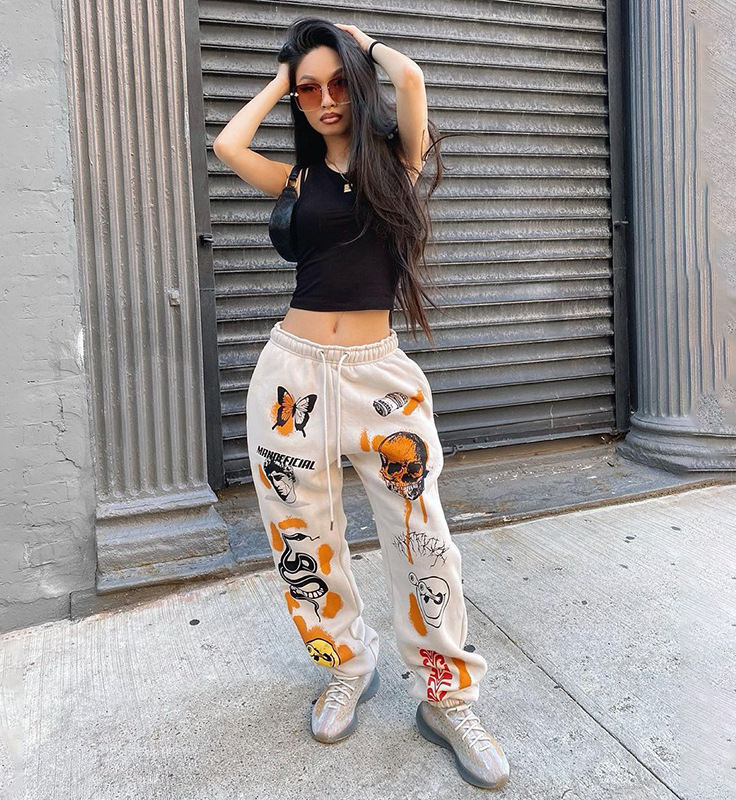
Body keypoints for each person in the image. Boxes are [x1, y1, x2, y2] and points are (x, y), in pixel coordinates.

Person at [213, 17, 510, 791]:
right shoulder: (300, 180)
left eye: (336, 83)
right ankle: (345, 665)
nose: (325, 99)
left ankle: (446, 697)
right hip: (291, 375)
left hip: (379, 377)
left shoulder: (395, 165)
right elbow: (227, 147)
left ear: (357, 79)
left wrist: (355, 42)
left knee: (423, 538)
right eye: (309, 90)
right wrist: (286, 75)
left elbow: (410, 82)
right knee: (302, 539)